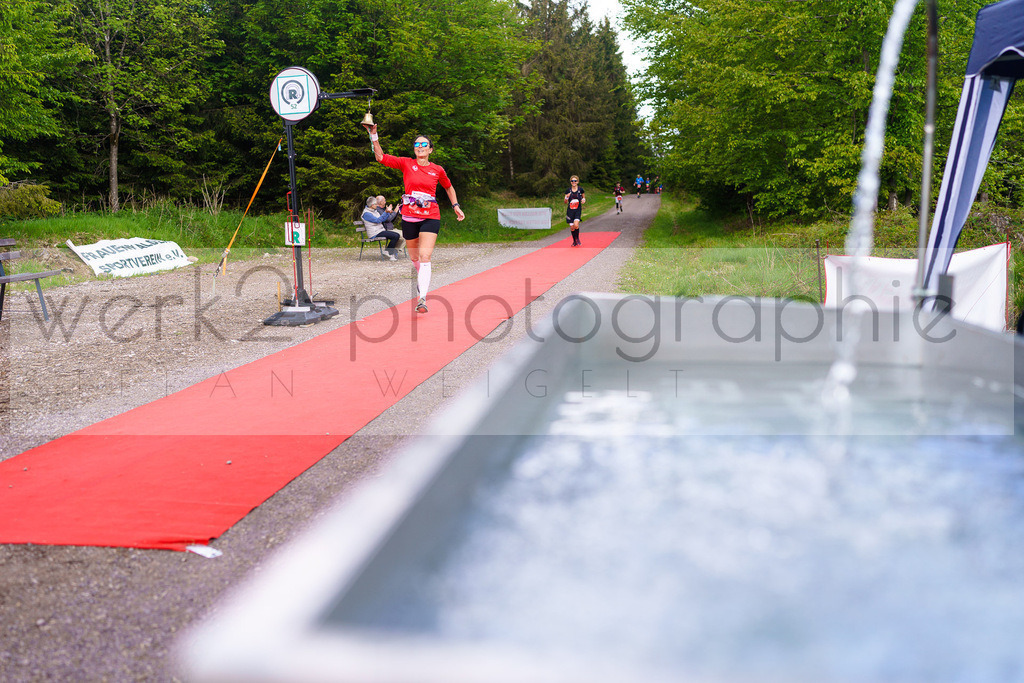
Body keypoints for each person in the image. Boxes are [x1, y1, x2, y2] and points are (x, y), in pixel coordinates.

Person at [367, 122, 465, 313]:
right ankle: (423, 280)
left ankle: (422, 298)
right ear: (414, 149)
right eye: (417, 145)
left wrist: (455, 205)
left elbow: (448, 186)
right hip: (410, 216)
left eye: (424, 145)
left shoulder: (438, 170)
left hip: (430, 216)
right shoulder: (406, 163)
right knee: (414, 257)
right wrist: (374, 136)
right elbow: (380, 157)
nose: (420, 148)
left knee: (425, 255)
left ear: (430, 150)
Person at [360, 196, 402, 260]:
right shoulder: (367, 214)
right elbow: (378, 220)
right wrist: (385, 212)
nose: (377, 205)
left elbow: (383, 219)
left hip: (379, 231)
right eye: (376, 204)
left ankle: (388, 252)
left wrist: (388, 212)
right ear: (372, 205)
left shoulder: (374, 211)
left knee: (396, 235)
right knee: (395, 236)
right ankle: (388, 252)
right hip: (374, 233)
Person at [564, 175, 585, 246]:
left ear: (577, 182)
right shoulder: (568, 190)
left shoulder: (580, 190)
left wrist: (583, 200)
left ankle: (577, 239)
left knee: (576, 225)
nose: (573, 182)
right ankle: (574, 241)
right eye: (572, 181)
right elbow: (565, 202)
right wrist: (566, 198)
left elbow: (583, 197)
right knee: (572, 227)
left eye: (575, 181)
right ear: (570, 182)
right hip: (570, 211)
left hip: (577, 210)